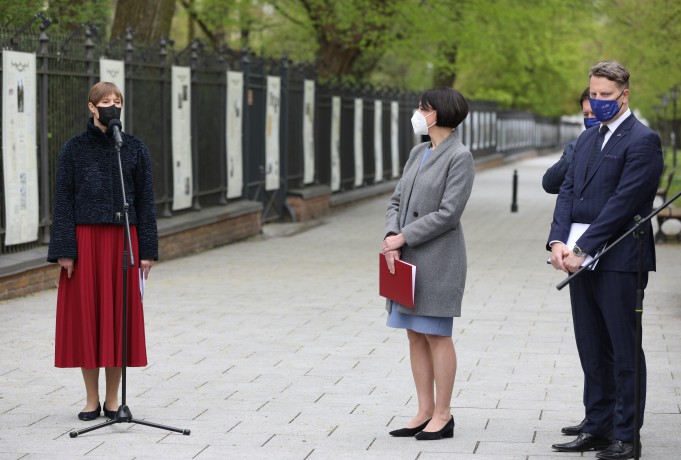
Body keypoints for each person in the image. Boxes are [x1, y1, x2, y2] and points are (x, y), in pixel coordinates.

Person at [548, 61, 663, 459]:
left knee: (623, 349)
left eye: (606, 96)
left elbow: (623, 204)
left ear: (625, 94)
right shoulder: (586, 139)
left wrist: (583, 249)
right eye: (593, 95)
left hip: (618, 258)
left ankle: (626, 436)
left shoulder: (643, 140)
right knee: (591, 347)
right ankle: (596, 427)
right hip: (578, 258)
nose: (597, 103)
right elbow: (566, 191)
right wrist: (558, 242)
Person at [47, 81, 158, 421]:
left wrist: (148, 250)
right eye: (106, 101)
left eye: (117, 101)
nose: (113, 106)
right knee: (88, 318)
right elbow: (63, 200)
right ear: (91, 107)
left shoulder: (134, 149)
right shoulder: (73, 149)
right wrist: (65, 249)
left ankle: (114, 400)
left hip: (124, 241)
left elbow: (146, 202)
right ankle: (91, 399)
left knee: (118, 319)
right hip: (85, 243)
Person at [382, 87, 474, 441]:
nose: (418, 112)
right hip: (406, 258)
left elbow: (449, 213)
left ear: (439, 114)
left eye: (423, 107)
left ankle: (443, 413)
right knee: (414, 333)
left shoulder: (460, 157)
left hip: (438, 259)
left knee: (437, 335)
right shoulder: (418, 151)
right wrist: (392, 235)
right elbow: (396, 199)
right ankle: (422, 410)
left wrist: (403, 237)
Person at [544, 87, 597, 439]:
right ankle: (595, 416)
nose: (590, 118)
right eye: (586, 114)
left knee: (614, 345)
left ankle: (616, 421)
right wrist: (574, 151)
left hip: (611, 253)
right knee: (588, 341)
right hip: (576, 260)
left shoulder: (633, 142)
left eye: (595, 111)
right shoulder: (579, 145)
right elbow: (552, 184)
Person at [542, 87, 597, 194]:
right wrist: (581, 148)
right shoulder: (574, 146)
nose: (590, 118)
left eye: (594, 113)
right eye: (586, 114)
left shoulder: (620, 144)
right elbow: (549, 184)